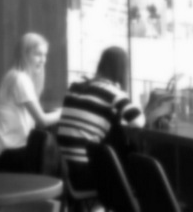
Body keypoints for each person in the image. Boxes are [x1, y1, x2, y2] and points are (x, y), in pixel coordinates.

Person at [57, 46, 144, 195]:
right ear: (122, 70)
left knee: (115, 136)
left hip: (64, 169)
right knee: (133, 158)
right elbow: (138, 122)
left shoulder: (75, 87)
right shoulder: (113, 93)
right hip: (85, 173)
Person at [0, 32, 61, 172]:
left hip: (2, 152)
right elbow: (42, 121)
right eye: (38, 54)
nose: (43, 60)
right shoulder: (19, 79)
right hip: (6, 155)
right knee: (55, 155)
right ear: (24, 54)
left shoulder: (13, 75)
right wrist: (63, 113)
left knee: (53, 154)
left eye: (45, 55)